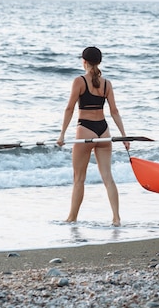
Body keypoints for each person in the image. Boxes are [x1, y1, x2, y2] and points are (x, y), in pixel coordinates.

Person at [56, 47, 129, 227]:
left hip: (85, 129)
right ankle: (116, 218)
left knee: (79, 178)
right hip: (103, 131)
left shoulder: (79, 81)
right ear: (99, 62)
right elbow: (114, 111)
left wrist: (62, 134)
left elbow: (69, 108)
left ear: (84, 61)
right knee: (108, 177)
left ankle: (72, 218)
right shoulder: (107, 84)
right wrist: (124, 136)